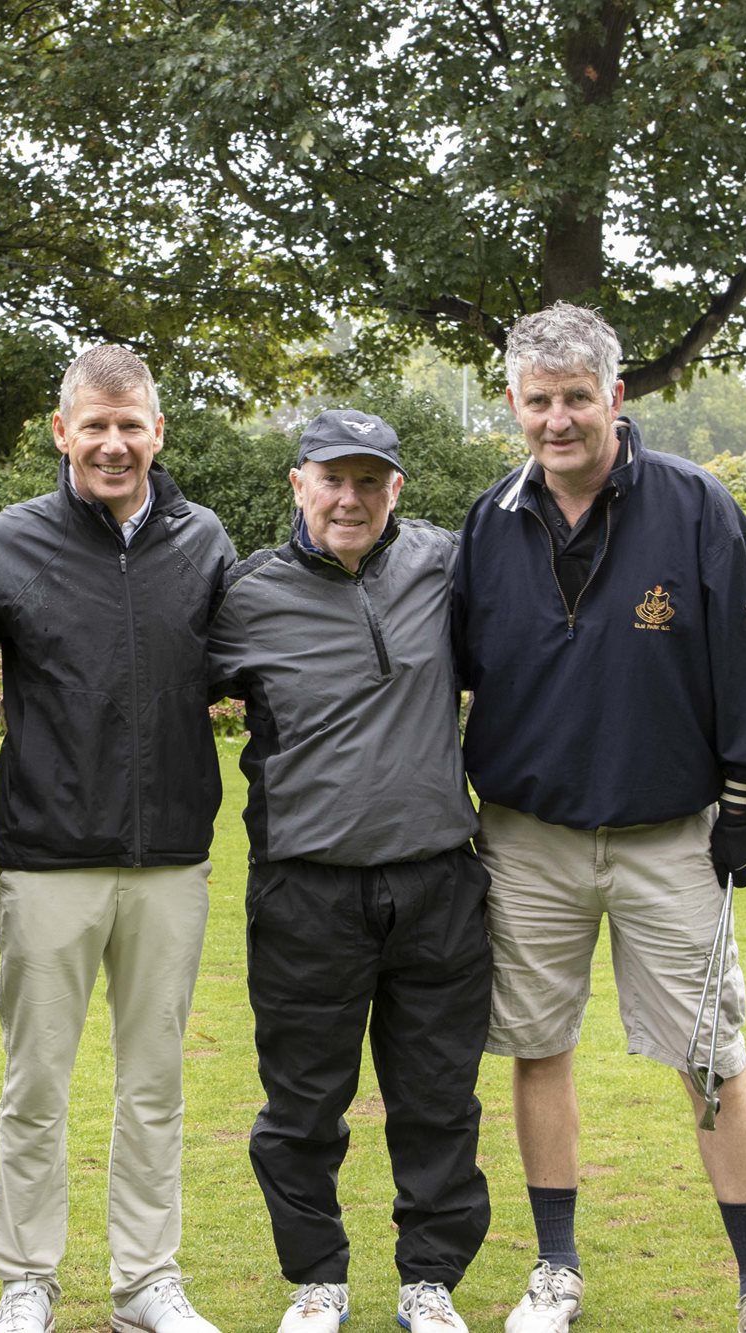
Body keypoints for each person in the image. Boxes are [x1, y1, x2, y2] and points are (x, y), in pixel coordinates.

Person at [452, 303, 746, 1333]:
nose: (557, 419)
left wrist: (745, 801)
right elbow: (449, 671)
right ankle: (555, 1270)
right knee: (537, 1047)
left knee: (710, 1056)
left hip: (668, 837)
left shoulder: (697, 506)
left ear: (613, 396)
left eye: (575, 397)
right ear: (512, 403)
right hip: (527, 839)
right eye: (537, 400)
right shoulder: (487, 520)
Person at [0, 345, 237, 1333]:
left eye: (131, 425)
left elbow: (251, 671)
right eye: (95, 425)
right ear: (61, 431)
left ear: (158, 431)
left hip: (170, 860)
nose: (114, 443)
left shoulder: (202, 542)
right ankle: (26, 1277)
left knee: (154, 1083)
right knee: (36, 1083)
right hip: (46, 858)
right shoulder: (7, 543)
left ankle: (146, 1279)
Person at [209, 409, 492, 1333]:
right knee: (301, 1103)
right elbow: (152, 695)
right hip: (306, 888)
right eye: (332, 478)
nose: (350, 498)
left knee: (438, 1097)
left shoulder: (445, 563)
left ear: (395, 489)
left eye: (370, 480)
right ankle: (317, 1279)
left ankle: (429, 1279)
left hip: (438, 882)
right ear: (298, 483)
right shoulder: (245, 594)